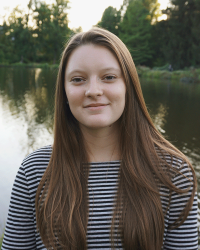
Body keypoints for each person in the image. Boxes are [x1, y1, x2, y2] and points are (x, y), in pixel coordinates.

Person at [2, 28, 198, 250]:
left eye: (109, 77)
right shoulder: (35, 171)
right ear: (64, 92)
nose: (93, 90)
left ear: (128, 86)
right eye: (78, 79)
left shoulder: (174, 173)